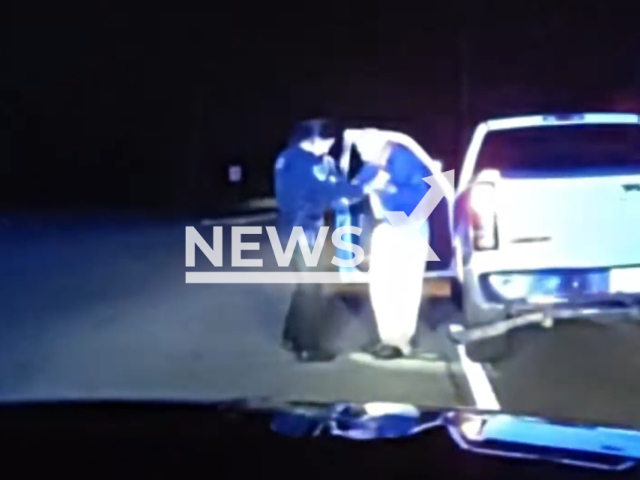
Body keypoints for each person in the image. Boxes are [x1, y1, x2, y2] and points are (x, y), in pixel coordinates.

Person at [275, 120, 383, 362]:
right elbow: (336, 195)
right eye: (327, 143)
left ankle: (291, 335)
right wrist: (369, 181)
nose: (328, 148)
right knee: (312, 289)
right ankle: (308, 347)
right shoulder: (311, 163)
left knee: (305, 286)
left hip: (288, 227)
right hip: (305, 230)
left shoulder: (287, 157)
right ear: (313, 140)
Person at [355, 134, 432, 359]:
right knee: (382, 286)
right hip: (386, 228)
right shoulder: (377, 163)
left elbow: (416, 198)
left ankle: (400, 341)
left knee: (402, 286)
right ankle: (387, 338)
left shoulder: (404, 160)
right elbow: (356, 187)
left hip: (406, 227)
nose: (361, 153)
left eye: (363, 147)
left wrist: (384, 188)